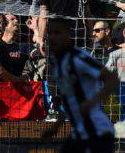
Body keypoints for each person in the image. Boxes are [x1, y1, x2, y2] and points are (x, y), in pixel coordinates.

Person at [41, 19, 117, 151]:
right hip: (79, 133)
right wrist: (55, 127)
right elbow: (68, 98)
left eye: (57, 32)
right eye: (50, 33)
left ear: (68, 34)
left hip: (97, 132)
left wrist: (90, 102)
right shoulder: (59, 64)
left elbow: (112, 79)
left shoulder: (78, 57)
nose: (53, 37)